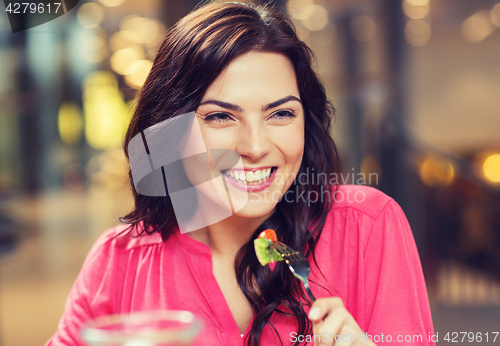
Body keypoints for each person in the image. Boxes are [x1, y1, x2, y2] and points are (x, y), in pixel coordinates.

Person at [46, 1, 435, 345]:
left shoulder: (365, 227)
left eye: (280, 113)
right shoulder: (122, 261)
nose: (253, 146)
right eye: (220, 116)